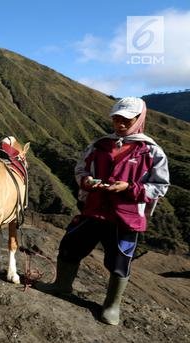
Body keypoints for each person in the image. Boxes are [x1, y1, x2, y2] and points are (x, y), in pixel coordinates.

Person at [37, 97, 170, 326]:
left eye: (126, 120)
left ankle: (111, 306)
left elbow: (160, 186)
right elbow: (81, 168)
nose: (119, 124)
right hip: (94, 210)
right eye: (116, 118)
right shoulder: (99, 145)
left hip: (125, 218)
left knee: (120, 260)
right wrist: (86, 181)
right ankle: (62, 285)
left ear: (140, 119)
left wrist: (129, 188)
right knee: (70, 245)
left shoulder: (150, 151)